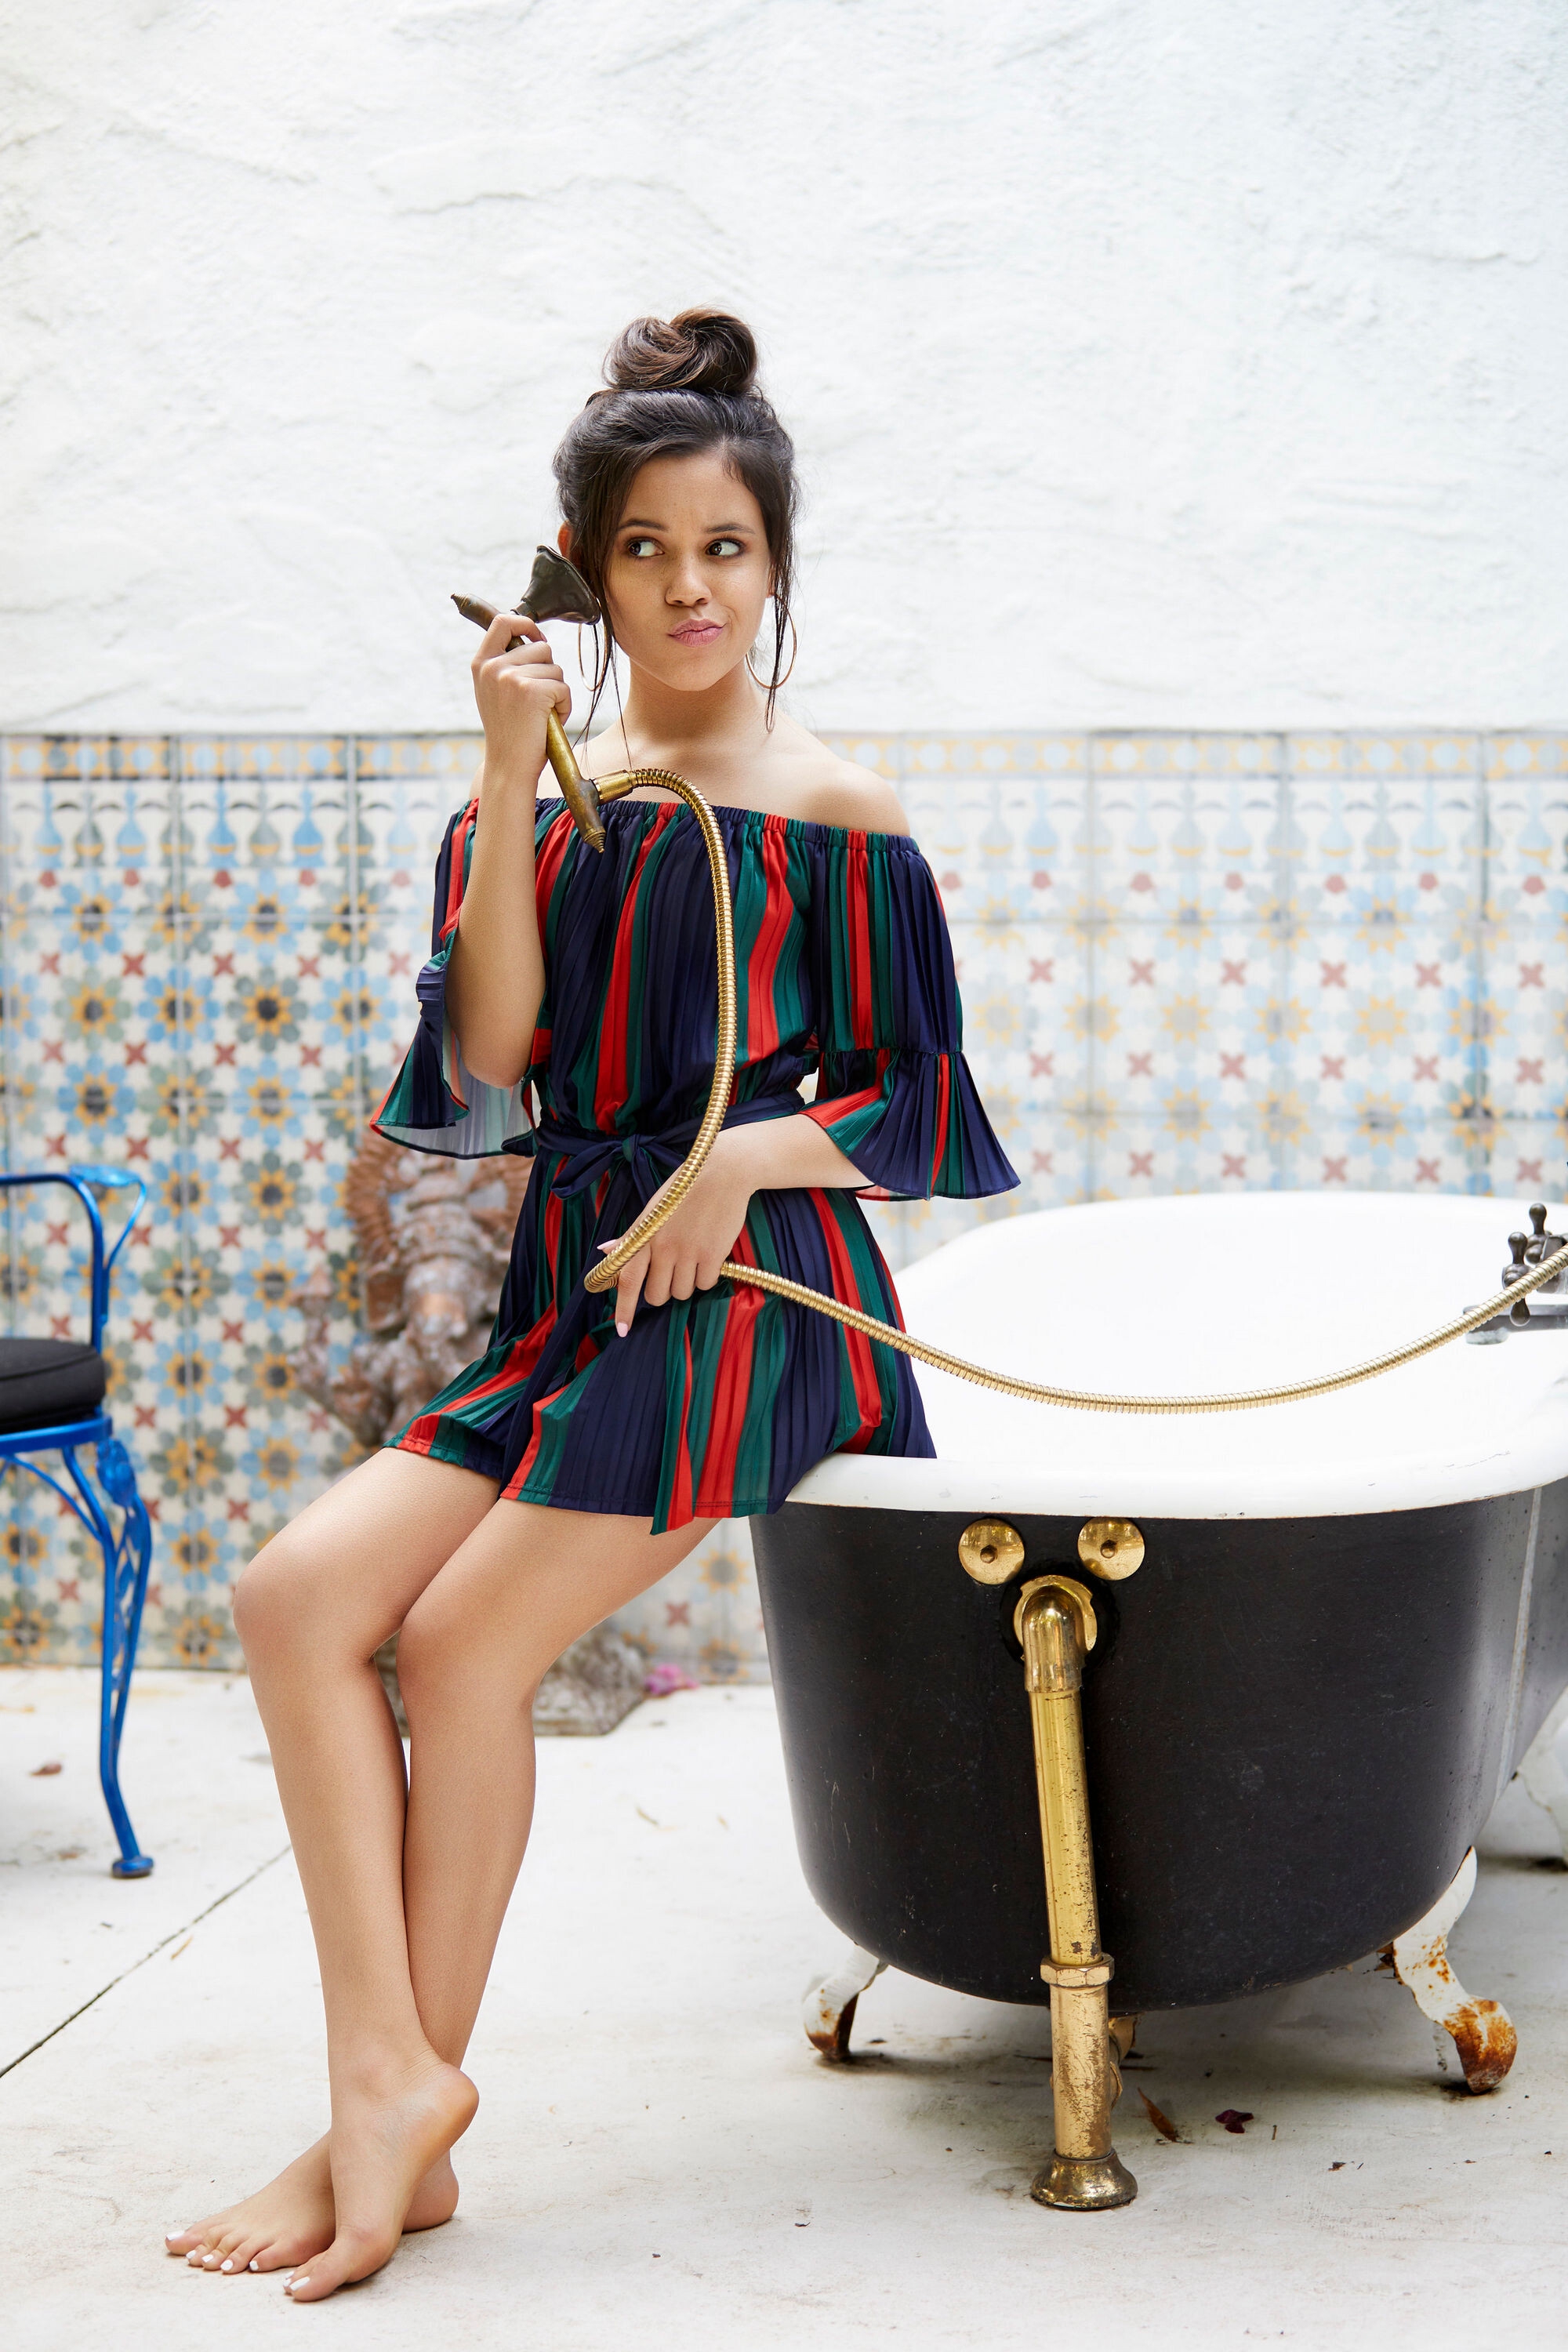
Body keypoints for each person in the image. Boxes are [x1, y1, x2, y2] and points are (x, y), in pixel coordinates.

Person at [165, 309, 1017, 2301]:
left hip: (760, 1292)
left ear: (774, 565)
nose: (689, 587)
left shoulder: (839, 811)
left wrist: (740, 1160)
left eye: (725, 547)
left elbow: (921, 1107)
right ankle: (389, 2082)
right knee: (296, 1602)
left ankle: (381, 2118)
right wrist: (501, 765)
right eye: (645, 549)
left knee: (461, 1644)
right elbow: (488, 1061)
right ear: (580, 572)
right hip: (579, 1287)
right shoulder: (541, 799)